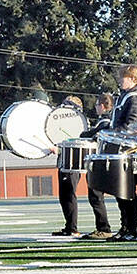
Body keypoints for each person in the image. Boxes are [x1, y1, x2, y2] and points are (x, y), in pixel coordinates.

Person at [107, 66, 137, 242]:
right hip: (120, 149)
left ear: (132, 78)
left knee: (127, 191)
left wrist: (115, 133)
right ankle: (125, 227)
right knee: (120, 191)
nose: (120, 80)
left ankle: (131, 229)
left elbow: (134, 125)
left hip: (128, 150)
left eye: (123, 77)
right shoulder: (124, 97)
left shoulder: (135, 98)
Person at [77, 93, 116, 239]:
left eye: (97, 105)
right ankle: (103, 227)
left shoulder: (105, 122)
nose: (95, 107)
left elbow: (89, 134)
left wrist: (85, 133)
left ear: (102, 106)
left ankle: (104, 228)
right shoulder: (105, 120)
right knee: (95, 196)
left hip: (102, 163)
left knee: (96, 196)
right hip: (103, 162)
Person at [52, 95, 90, 237]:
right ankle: (69, 226)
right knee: (63, 195)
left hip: (72, 162)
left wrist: (60, 150)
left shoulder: (78, 124)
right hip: (64, 162)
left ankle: (73, 228)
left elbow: (75, 143)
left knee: (69, 194)